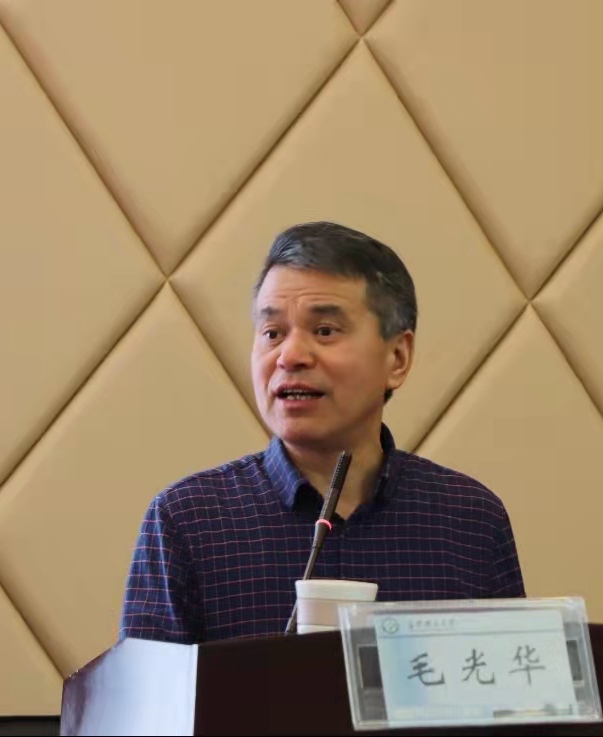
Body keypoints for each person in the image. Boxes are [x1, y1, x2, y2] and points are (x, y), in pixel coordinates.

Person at [120, 222, 525, 645]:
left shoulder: (470, 520)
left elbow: (518, 682)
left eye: (325, 331)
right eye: (272, 333)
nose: (290, 356)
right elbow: (145, 689)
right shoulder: (188, 521)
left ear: (397, 358)